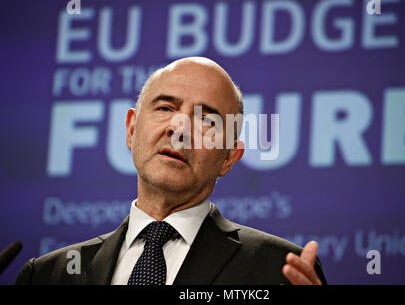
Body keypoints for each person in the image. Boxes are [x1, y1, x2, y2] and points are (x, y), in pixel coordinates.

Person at [15, 57, 326, 285]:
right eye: (165, 108)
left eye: (206, 120)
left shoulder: (276, 271)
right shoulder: (47, 275)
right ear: (131, 128)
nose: (180, 129)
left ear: (230, 156)